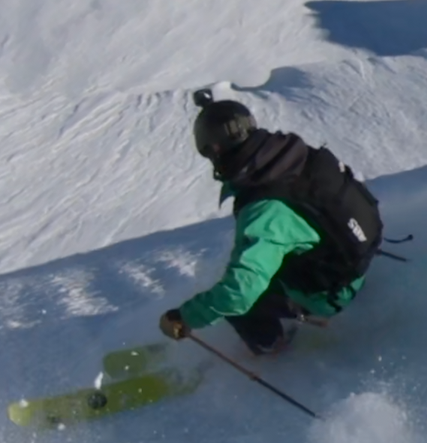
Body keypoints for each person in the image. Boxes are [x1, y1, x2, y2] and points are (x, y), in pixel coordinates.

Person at [157, 90, 384, 355]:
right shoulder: (291, 157)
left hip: (330, 291)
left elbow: (239, 293)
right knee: (257, 261)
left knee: (239, 300)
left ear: (214, 150)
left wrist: (185, 316)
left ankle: (275, 349)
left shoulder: (266, 208)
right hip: (353, 260)